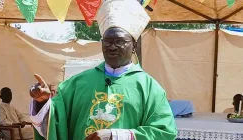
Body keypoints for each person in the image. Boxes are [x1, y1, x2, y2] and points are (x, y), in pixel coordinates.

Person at [29, 0, 177, 139]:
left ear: (134, 46)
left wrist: (116, 136)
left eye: (120, 41)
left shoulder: (150, 89)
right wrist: (42, 103)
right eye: (107, 41)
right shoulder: (76, 83)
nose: (112, 46)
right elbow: (55, 124)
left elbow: (164, 132)